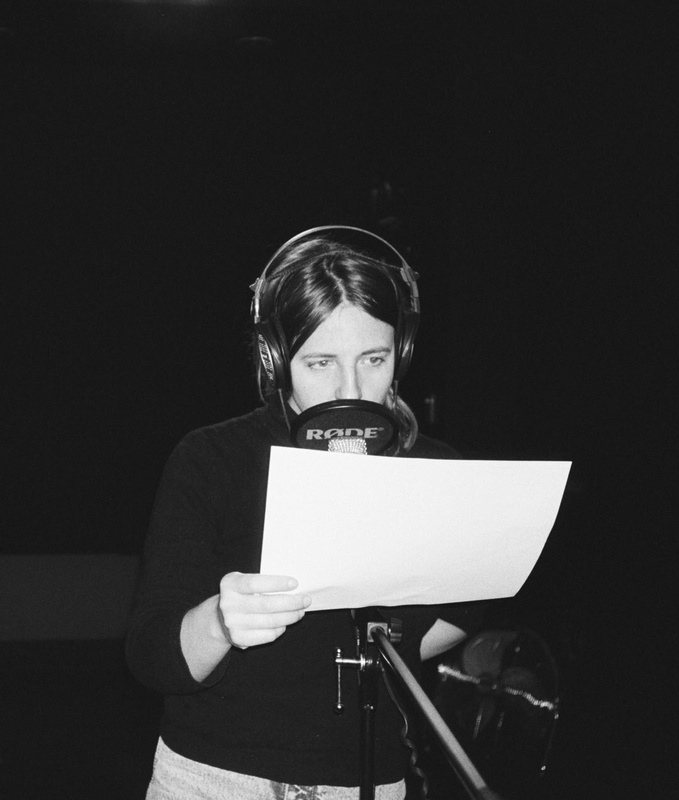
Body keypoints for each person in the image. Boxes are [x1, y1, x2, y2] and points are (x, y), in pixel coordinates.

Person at [125, 226, 485, 799]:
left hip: (366, 782)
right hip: (215, 779)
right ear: (276, 357)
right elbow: (152, 655)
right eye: (320, 363)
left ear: (403, 351)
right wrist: (220, 621)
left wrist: (397, 636)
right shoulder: (210, 458)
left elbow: (479, 601)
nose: (352, 387)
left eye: (374, 358)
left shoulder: (436, 470)